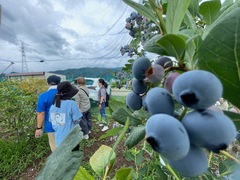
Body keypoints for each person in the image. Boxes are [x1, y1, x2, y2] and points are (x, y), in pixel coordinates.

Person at [49, 81, 83, 148]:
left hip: (58, 139)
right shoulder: (71, 104)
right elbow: (77, 120)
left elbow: (52, 122)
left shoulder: (53, 106)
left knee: (64, 157)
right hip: (71, 138)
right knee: (74, 156)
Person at [35, 75, 61, 152]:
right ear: (59, 83)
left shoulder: (43, 96)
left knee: (54, 146)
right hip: (66, 125)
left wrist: (39, 128)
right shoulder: (65, 94)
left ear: (48, 83)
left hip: (51, 125)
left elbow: (41, 113)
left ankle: (59, 162)